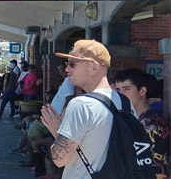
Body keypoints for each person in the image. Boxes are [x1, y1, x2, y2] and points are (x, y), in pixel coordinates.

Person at [40, 39, 137, 178]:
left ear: (93, 67)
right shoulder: (124, 102)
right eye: (67, 64)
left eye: (72, 64)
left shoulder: (80, 104)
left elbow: (60, 159)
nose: (67, 68)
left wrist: (57, 131)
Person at [115, 68, 169, 178]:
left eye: (127, 89)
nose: (121, 94)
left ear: (142, 91)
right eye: (118, 90)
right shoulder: (131, 118)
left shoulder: (151, 124)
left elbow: (159, 171)